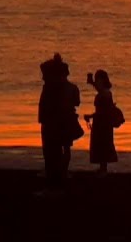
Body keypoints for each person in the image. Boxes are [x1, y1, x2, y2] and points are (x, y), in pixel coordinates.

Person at [38, 54, 82, 189]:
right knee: (65, 148)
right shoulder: (70, 87)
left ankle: (56, 175)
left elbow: (46, 106)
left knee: (52, 150)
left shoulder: (51, 88)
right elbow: (77, 102)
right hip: (65, 120)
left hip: (54, 122)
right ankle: (62, 172)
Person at [85, 70, 122, 176]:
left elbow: (102, 111)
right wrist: (91, 83)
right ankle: (103, 168)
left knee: (102, 144)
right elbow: (98, 89)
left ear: (102, 80)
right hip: (103, 123)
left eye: (97, 79)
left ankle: (103, 169)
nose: (96, 82)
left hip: (102, 123)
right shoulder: (105, 92)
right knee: (102, 144)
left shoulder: (104, 94)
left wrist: (90, 116)